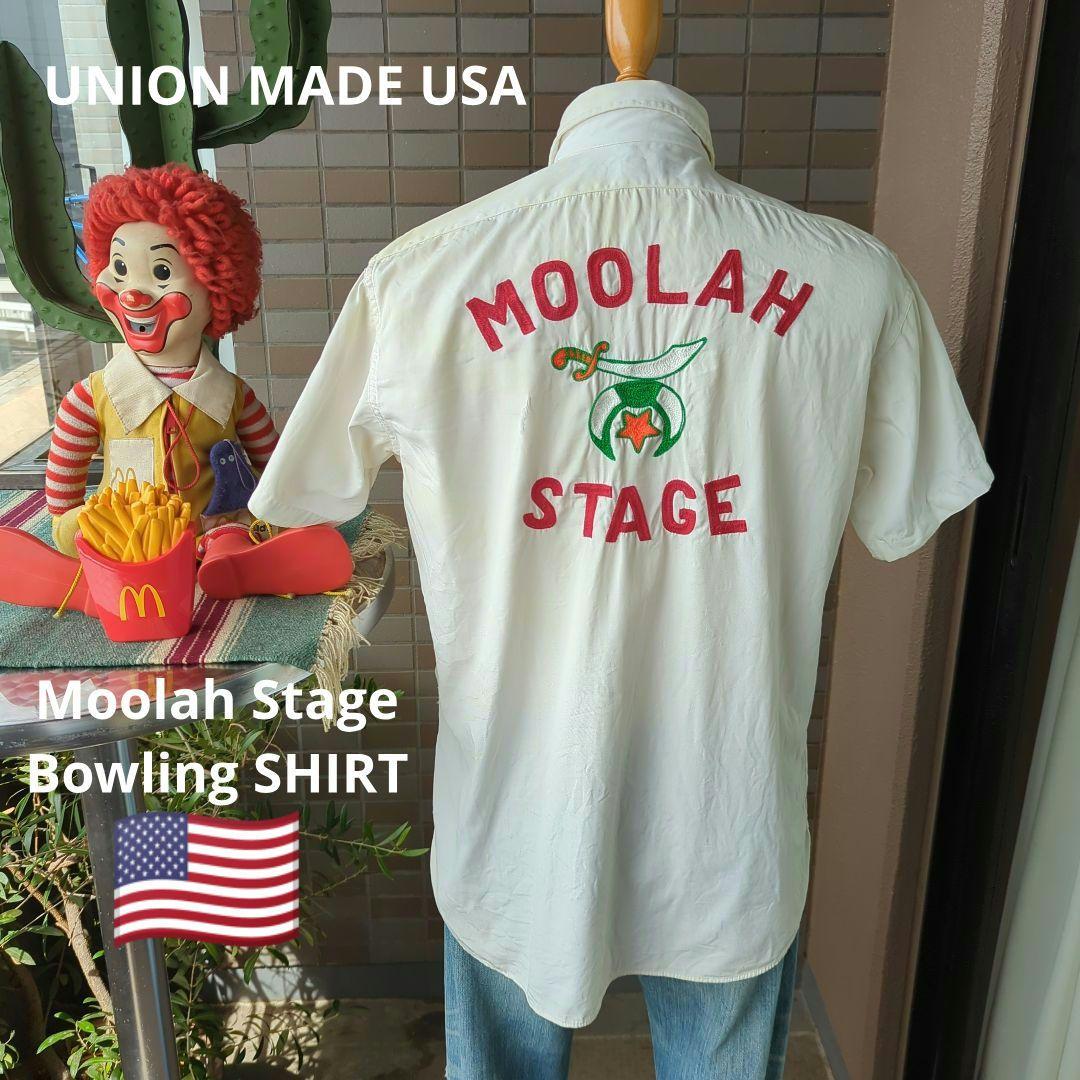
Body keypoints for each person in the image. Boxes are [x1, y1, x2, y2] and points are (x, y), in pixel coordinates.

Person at [250, 81, 993, 1077]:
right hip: (727, 811)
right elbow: (906, 504)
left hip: (518, 814)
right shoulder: (856, 280)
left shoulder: (420, 275)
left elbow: (312, 493)